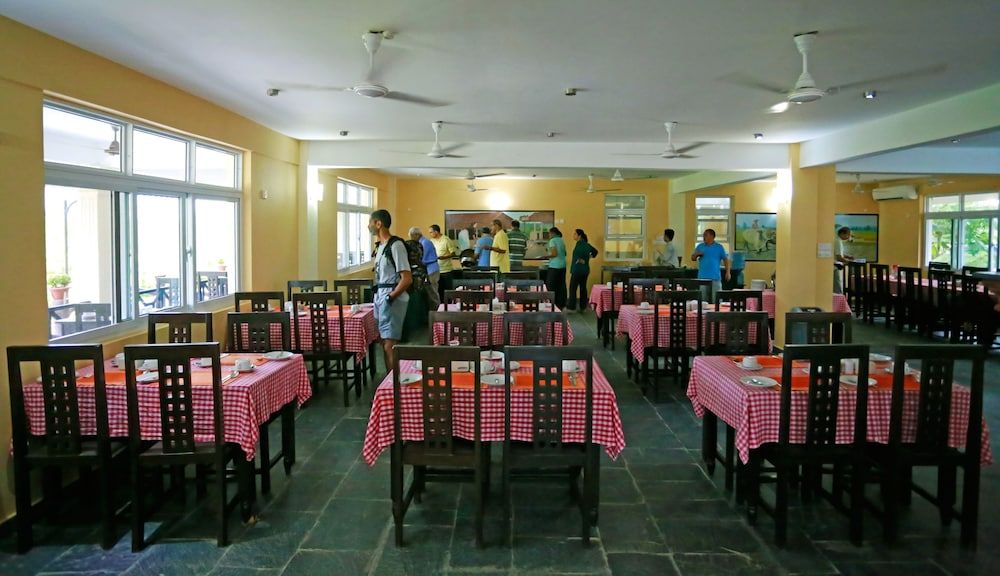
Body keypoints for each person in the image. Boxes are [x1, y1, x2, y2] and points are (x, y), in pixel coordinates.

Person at [370, 209, 412, 372]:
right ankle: (390, 380)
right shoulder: (381, 247)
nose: (369, 226)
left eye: (371, 222)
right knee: (384, 341)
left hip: (391, 297)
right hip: (380, 296)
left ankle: (395, 385)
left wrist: (391, 297)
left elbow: (407, 278)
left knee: (390, 343)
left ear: (378, 224)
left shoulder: (396, 246)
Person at [691, 228, 730, 302]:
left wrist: (728, 272)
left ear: (712, 236)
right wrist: (697, 254)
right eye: (703, 235)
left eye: (705, 235)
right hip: (702, 278)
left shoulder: (719, 247)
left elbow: (726, 260)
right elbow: (692, 258)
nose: (703, 237)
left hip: (715, 277)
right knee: (702, 301)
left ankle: (717, 313)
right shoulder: (700, 246)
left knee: (717, 300)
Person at [567, 228, 599, 312]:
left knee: (573, 288)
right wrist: (589, 257)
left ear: (579, 236)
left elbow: (578, 256)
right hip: (585, 270)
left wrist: (581, 259)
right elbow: (595, 252)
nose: (573, 235)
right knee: (583, 288)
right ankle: (583, 307)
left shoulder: (579, 244)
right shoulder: (586, 244)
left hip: (577, 270)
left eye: (575, 234)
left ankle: (571, 307)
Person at [410, 226, 440, 310]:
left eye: (412, 237)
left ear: (416, 235)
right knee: (429, 293)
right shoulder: (423, 242)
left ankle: (436, 314)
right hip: (429, 269)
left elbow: (421, 258)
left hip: (431, 270)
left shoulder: (424, 243)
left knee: (433, 293)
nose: (412, 239)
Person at [428, 224, 457, 305]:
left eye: (431, 232)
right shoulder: (431, 241)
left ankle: (449, 309)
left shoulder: (446, 240)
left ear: (436, 232)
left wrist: (443, 257)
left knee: (447, 292)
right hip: (436, 270)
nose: (430, 234)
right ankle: (440, 309)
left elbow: (453, 253)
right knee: (438, 291)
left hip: (446, 270)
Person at [546, 226, 568, 309]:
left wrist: (545, 256)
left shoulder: (552, 241)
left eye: (549, 233)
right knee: (561, 285)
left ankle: (552, 304)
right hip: (563, 266)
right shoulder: (561, 240)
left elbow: (554, 254)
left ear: (552, 233)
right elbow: (565, 253)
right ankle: (561, 304)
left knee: (551, 286)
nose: (549, 235)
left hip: (554, 266)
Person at [833, 226, 854, 294]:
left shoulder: (838, 240)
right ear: (842, 233)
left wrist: (848, 256)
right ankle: (840, 302)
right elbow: (839, 257)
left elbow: (839, 253)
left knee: (837, 285)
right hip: (835, 267)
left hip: (836, 266)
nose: (848, 237)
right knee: (837, 288)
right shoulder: (837, 241)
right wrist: (848, 261)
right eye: (848, 235)